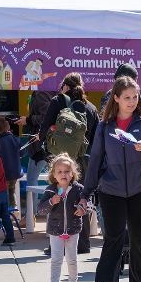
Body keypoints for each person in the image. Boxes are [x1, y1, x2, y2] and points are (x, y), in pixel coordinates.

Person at [81, 76, 141, 282]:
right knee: (113, 237)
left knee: (139, 238)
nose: (131, 101)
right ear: (116, 98)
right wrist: (85, 192)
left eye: (135, 97)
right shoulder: (104, 127)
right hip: (111, 188)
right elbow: (96, 159)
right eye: (126, 97)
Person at [39, 73, 99, 254]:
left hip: (60, 161)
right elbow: (96, 138)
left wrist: (47, 144)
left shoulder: (58, 101)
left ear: (64, 86)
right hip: (82, 161)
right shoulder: (90, 107)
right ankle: (83, 244)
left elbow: (44, 129)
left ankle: (56, 244)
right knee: (81, 197)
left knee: (57, 198)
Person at [37, 154, 86, 282]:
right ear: (53, 174)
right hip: (56, 230)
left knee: (72, 259)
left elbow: (88, 204)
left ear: (73, 173)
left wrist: (83, 209)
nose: (63, 174)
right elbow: (41, 210)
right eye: (59, 171)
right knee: (56, 259)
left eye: (67, 171)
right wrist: (51, 202)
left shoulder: (78, 189)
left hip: (73, 229)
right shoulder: (51, 190)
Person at [14, 90, 54, 215]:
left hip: (40, 145)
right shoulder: (55, 92)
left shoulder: (41, 93)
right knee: (55, 180)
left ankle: (31, 215)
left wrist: (29, 120)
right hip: (53, 144)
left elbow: (47, 116)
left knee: (32, 180)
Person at [0, 117, 22, 209]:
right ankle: (13, 209)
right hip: (15, 172)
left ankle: (6, 211)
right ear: (9, 127)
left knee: (3, 193)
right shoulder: (16, 139)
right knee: (11, 190)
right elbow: (22, 152)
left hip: (2, 173)